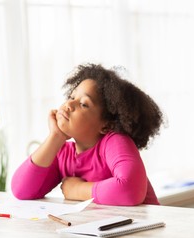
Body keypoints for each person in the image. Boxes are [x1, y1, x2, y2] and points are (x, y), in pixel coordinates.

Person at [12, 63, 164, 206]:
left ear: (106, 125)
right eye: (71, 97)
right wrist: (55, 137)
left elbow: (131, 190)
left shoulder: (115, 142)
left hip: (143, 231)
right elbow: (21, 190)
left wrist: (77, 190)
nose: (69, 105)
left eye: (83, 104)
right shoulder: (64, 154)